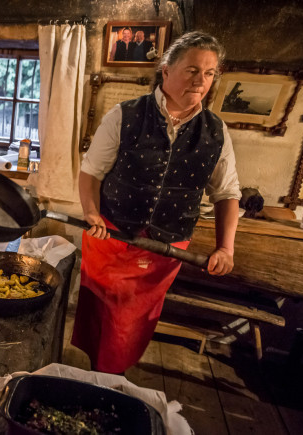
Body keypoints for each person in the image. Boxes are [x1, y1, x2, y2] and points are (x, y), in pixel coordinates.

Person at [72, 31, 241, 374]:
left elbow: (227, 194)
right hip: (112, 237)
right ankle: (93, 375)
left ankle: (110, 378)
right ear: (166, 70)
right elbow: (91, 172)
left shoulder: (216, 132)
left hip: (166, 249)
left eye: (209, 73)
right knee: (99, 313)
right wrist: (91, 212)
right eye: (192, 70)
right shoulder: (124, 115)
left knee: (131, 325)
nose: (201, 81)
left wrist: (227, 248)